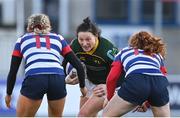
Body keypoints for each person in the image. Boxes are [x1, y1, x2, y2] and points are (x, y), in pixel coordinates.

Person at [5, 13, 87, 117]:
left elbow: (13, 71)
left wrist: (8, 94)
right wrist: (82, 87)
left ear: (30, 26)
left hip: (35, 77)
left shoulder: (22, 40)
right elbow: (78, 65)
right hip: (57, 78)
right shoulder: (58, 38)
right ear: (48, 26)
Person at [63, 17, 125, 117]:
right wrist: (66, 78)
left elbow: (122, 72)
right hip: (90, 83)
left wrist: (108, 87)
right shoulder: (75, 45)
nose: (84, 43)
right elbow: (65, 62)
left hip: (109, 85)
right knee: (86, 115)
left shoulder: (107, 50)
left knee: (83, 115)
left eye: (88, 39)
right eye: (81, 39)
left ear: (96, 36)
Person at [102, 31, 170, 117]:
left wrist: (109, 98)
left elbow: (112, 77)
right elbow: (162, 75)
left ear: (132, 42)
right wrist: (147, 102)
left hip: (136, 80)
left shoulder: (124, 51)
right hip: (160, 83)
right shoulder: (156, 54)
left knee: (107, 115)